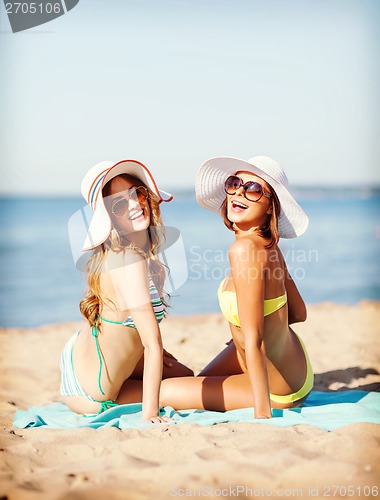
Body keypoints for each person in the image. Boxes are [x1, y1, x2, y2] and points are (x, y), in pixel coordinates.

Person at [159, 155, 313, 419]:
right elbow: (298, 313)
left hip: (278, 387)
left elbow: (256, 339)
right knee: (201, 380)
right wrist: (244, 331)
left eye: (254, 189)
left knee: (163, 391)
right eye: (235, 183)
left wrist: (262, 413)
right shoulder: (269, 246)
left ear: (269, 207)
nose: (240, 191)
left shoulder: (243, 250)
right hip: (298, 368)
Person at [60, 160, 193, 422]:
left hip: (83, 354)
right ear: (108, 216)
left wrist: (149, 354)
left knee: (185, 374)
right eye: (119, 204)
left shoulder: (128, 254)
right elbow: (152, 343)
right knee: (178, 390)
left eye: (137, 192)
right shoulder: (129, 261)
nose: (134, 204)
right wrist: (151, 414)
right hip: (91, 391)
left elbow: (127, 322)